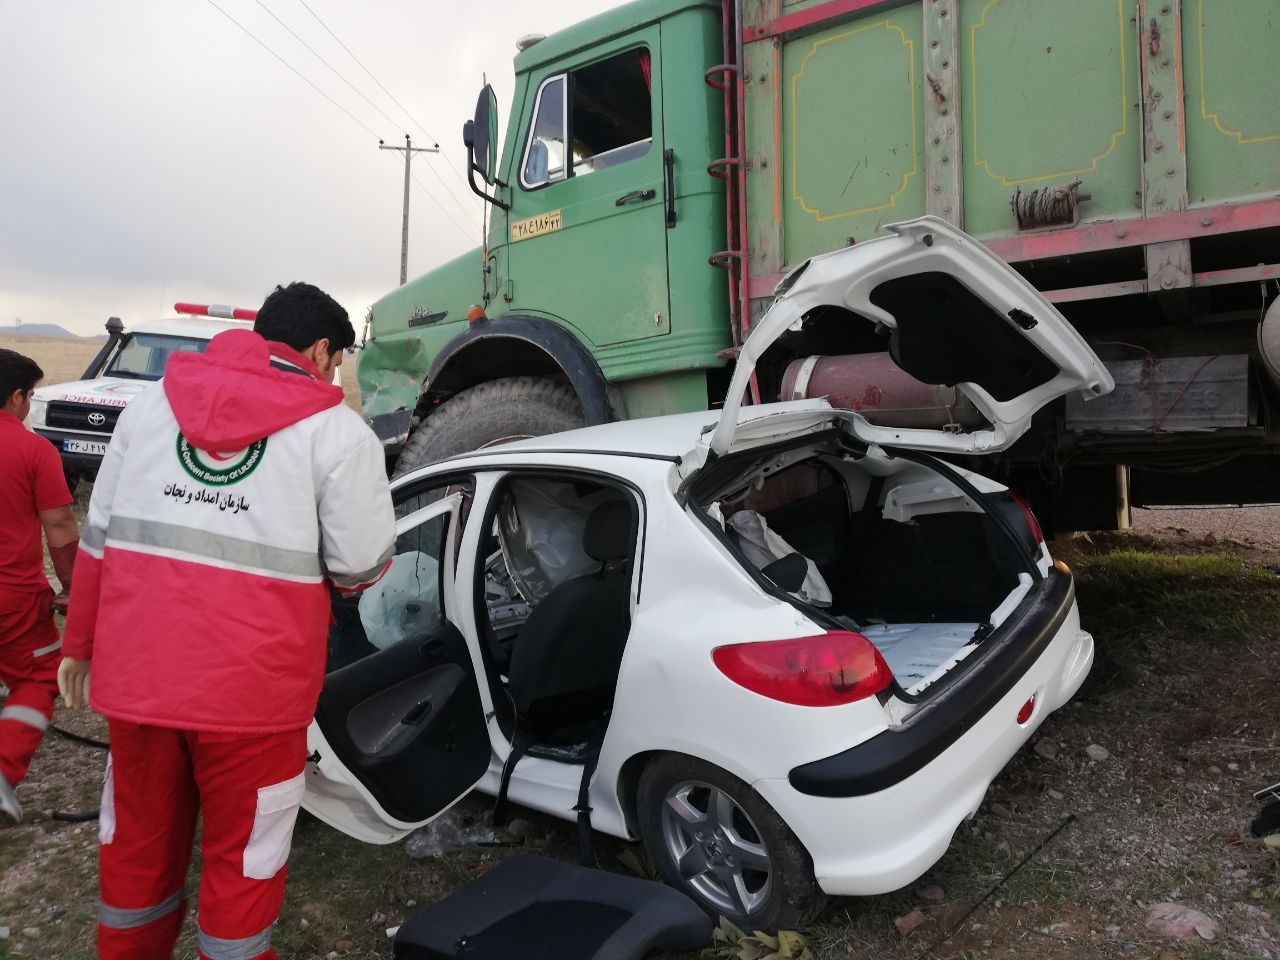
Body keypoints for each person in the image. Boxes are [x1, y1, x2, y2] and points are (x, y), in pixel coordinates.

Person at [58, 283, 396, 960]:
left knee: (136, 854)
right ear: (323, 351)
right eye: (335, 363)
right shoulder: (335, 432)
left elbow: (96, 542)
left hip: (139, 683)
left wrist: (81, 645)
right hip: (255, 701)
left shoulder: (149, 408)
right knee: (244, 864)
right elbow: (361, 566)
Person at [0, 349, 79, 823]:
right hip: (13, 598)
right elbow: (62, 528)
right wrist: (74, 589)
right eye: (29, 396)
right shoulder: (33, 451)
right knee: (34, 678)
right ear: (15, 397)